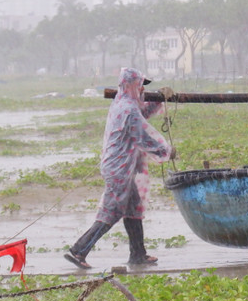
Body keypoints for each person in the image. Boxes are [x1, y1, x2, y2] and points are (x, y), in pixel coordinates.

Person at [65, 67, 174, 269]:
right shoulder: (127, 109)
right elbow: (141, 136)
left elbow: (143, 113)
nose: (142, 89)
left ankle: (138, 254)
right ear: (130, 85)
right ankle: (79, 250)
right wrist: (164, 151)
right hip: (119, 169)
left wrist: (159, 99)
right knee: (112, 211)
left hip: (123, 166)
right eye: (139, 85)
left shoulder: (126, 104)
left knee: (133, 208)